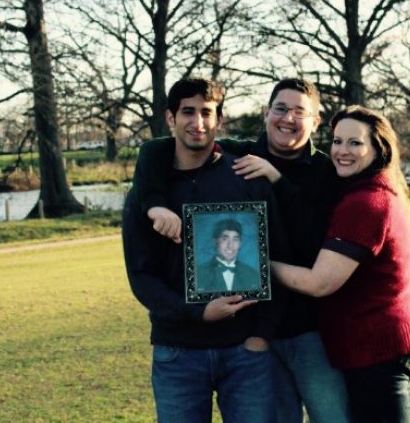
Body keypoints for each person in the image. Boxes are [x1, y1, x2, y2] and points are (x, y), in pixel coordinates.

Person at [132, 78, 350, 423]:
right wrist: (154, 204)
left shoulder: (326, 171)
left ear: (316, 121)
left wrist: (277, 180)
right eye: (280, 109)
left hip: (302, 329)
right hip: (227, 337)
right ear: (266, 112)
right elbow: (163, 148)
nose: (288, 118)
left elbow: (304, 240)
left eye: (299, 112)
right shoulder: (240, 158)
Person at [270, 105, 410, 423]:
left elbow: (319, 282)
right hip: (385, 339)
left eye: (355, 143)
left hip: (378, 346)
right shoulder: (377, 190)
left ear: (378, 149)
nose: (342, 151)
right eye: (337, 141)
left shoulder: (365, 203)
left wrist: (259, 266)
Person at [197, 218, 260, 292]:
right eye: (224, 239)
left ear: (240, 244)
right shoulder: (199, 273)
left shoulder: (252, 274)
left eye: (235, 239)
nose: (230, 246)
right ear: (214, 242)